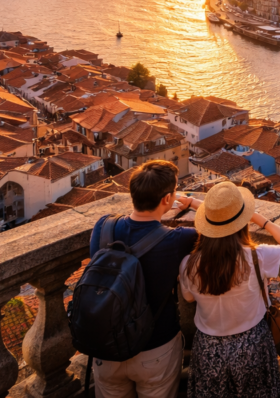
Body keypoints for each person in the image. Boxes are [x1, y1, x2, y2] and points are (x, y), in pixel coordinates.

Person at [88, 160, 199, 398]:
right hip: (156, 347)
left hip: (107, 346)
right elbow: (221, 220)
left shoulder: (104, 227)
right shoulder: (178, 240)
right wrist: (193, 203)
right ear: (167, 199)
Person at [180, 182, 280, 398]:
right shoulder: (257, 257)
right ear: (242, 223)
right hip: (252, 344)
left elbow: (188, 298)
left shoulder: (189, 264)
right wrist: (259, 219)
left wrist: (193, 204)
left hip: (209, 347)